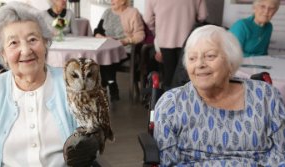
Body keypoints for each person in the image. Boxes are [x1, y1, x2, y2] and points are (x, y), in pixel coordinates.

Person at [0, 2, 101, 166]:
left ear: (46, 43)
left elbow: (90, 144)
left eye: (32, 39)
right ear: (3, 53)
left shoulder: (71, 85)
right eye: (13, 43)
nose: (26, 50)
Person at [153, 25, 285, 166]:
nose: (200, 64)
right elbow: (168, 162)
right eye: (192, 58)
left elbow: (280, 154)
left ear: (230, 61)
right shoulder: (171, 104)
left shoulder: (266, 97)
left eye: (210, 56)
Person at [144, 0, 208, 90]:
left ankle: (169, 101)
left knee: (168, 75)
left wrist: (157, 30)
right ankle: (186, 100)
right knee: (186, 75)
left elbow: (148, 19)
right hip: (188, 40)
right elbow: (203, 16)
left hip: (164, 40)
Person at [94, 0, 144, 101]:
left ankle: (109, 87)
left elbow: (140, 35)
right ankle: (111, 85)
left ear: (123, 1)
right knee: (103, 58)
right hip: (106, 48)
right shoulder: (107, 12)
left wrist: (126, 41)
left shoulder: (133, 13)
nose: (111, 1)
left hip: (124, 49)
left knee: (107, 60)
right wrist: (100, 36)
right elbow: (97, 30)